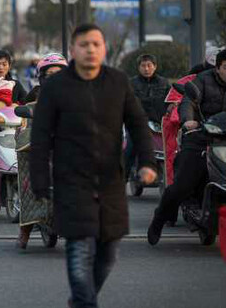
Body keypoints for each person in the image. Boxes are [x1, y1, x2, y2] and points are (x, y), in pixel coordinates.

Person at [29, 24, 157, 308]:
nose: (90, 49)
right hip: (71, 182)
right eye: (84, 44)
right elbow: (39, 137)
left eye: (96, 44)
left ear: (104, 49)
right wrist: (38, 180)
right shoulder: (56, 87)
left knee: (108, 255)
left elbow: (138, 125)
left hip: (111, 182)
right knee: (79, 251)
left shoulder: (118, 82)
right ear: (73, 50)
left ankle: (79, 301)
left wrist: (147, 163)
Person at [148, 49, 226, 246]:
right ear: (218, 68)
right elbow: (188, 102)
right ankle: (159, 219)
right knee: (181, 185)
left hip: (224, 139)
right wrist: (188, 121)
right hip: (201, 136)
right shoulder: (202, 80)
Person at [17, 53, 68, 249]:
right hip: (40, 149)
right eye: (50, 74)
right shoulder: (36, 95)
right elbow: (24, 116)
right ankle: (25, 230)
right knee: (29, 181)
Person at [125, 54, 171, 182]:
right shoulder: (131, 83)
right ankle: (122, 179)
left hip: (159, 123)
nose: (146, 68)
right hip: (137, 124)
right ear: (138, 67)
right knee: (130, 149)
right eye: (143, 66)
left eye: (149, 65)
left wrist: (172, 106)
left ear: (155, 67)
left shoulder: (164, 82)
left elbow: (171, 99)